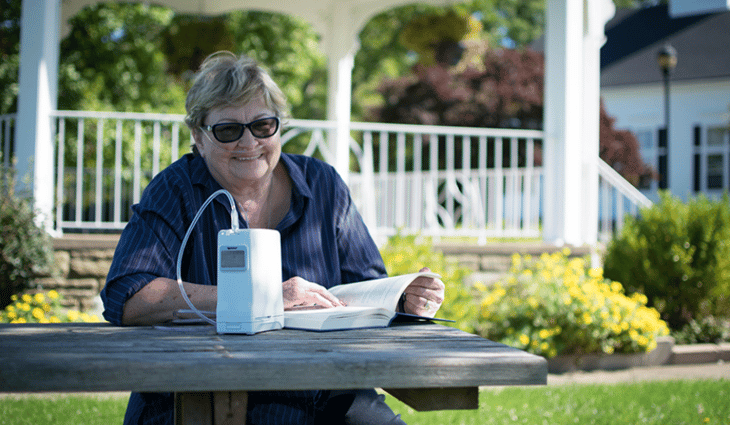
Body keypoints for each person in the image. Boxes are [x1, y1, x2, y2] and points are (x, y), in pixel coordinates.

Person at [100, 51, 445, 425]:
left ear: (279, 127)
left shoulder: (322, 184)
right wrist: (263, 298)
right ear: (198, 138)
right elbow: (128, 296)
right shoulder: (177, 189)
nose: (249, 142)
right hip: (202, 394)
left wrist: (403, 299)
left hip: (327, 389)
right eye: (228, 130)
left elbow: (367, 285)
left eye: (263, 125)